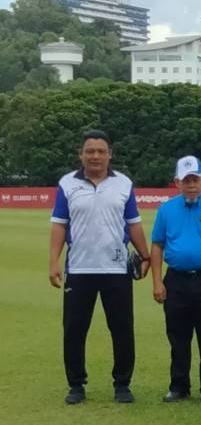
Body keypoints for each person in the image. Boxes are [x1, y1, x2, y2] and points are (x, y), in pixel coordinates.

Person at [49, 130, 151, 404]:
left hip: (116, 269)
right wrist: (53, 262)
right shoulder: (67, 184)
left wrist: (145, 255)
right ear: (81, 154)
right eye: (90, 151)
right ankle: (76, 385)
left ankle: (122, 384)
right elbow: (59, 224)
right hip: (80, 269)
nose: (95, 156)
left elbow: (134, 224)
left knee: (121, 329)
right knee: (74, 330)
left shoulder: (124, 184)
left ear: (110, 155)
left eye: (101, 151)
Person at [150, 156, 201, 404]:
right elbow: (157, 246)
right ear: (177, 182)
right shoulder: (166, 210)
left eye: (195, 179)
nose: (191, 184)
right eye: (186, 180)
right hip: (176, 280)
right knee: (178, 336)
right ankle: (179, 386)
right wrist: (157, 281)